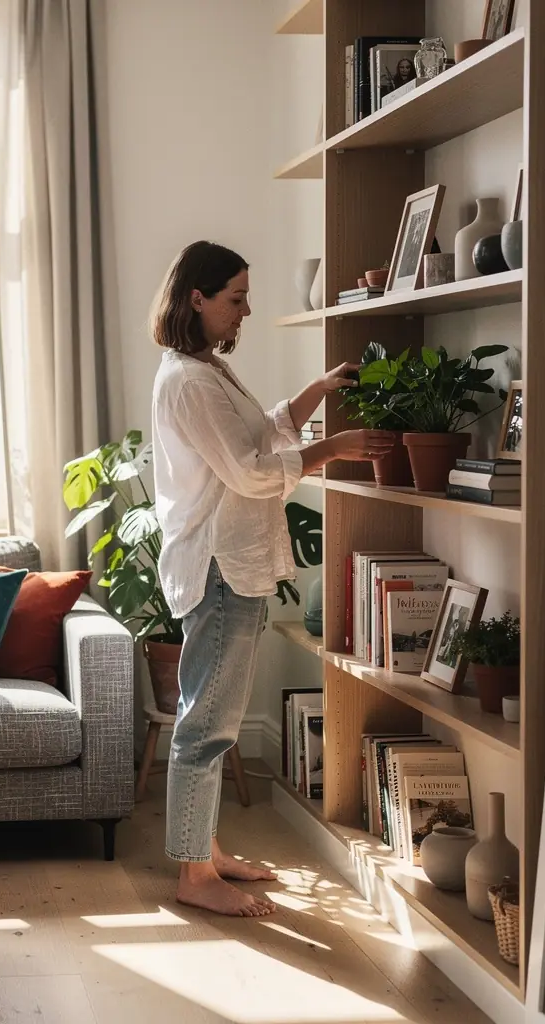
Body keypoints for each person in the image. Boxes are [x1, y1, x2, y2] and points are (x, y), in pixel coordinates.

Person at [149, 241, 396, 917]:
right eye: (236, 298)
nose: (246, 311)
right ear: (196, 298)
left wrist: (317, 391)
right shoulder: (190, 380)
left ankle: (207, 853)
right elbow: (253, 471)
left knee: (216, 720)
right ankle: (194, 877)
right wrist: (332, 450)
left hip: (233, 565)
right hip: (220, 567)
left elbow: (257, 436)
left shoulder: (204, 369)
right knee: (206, 727)